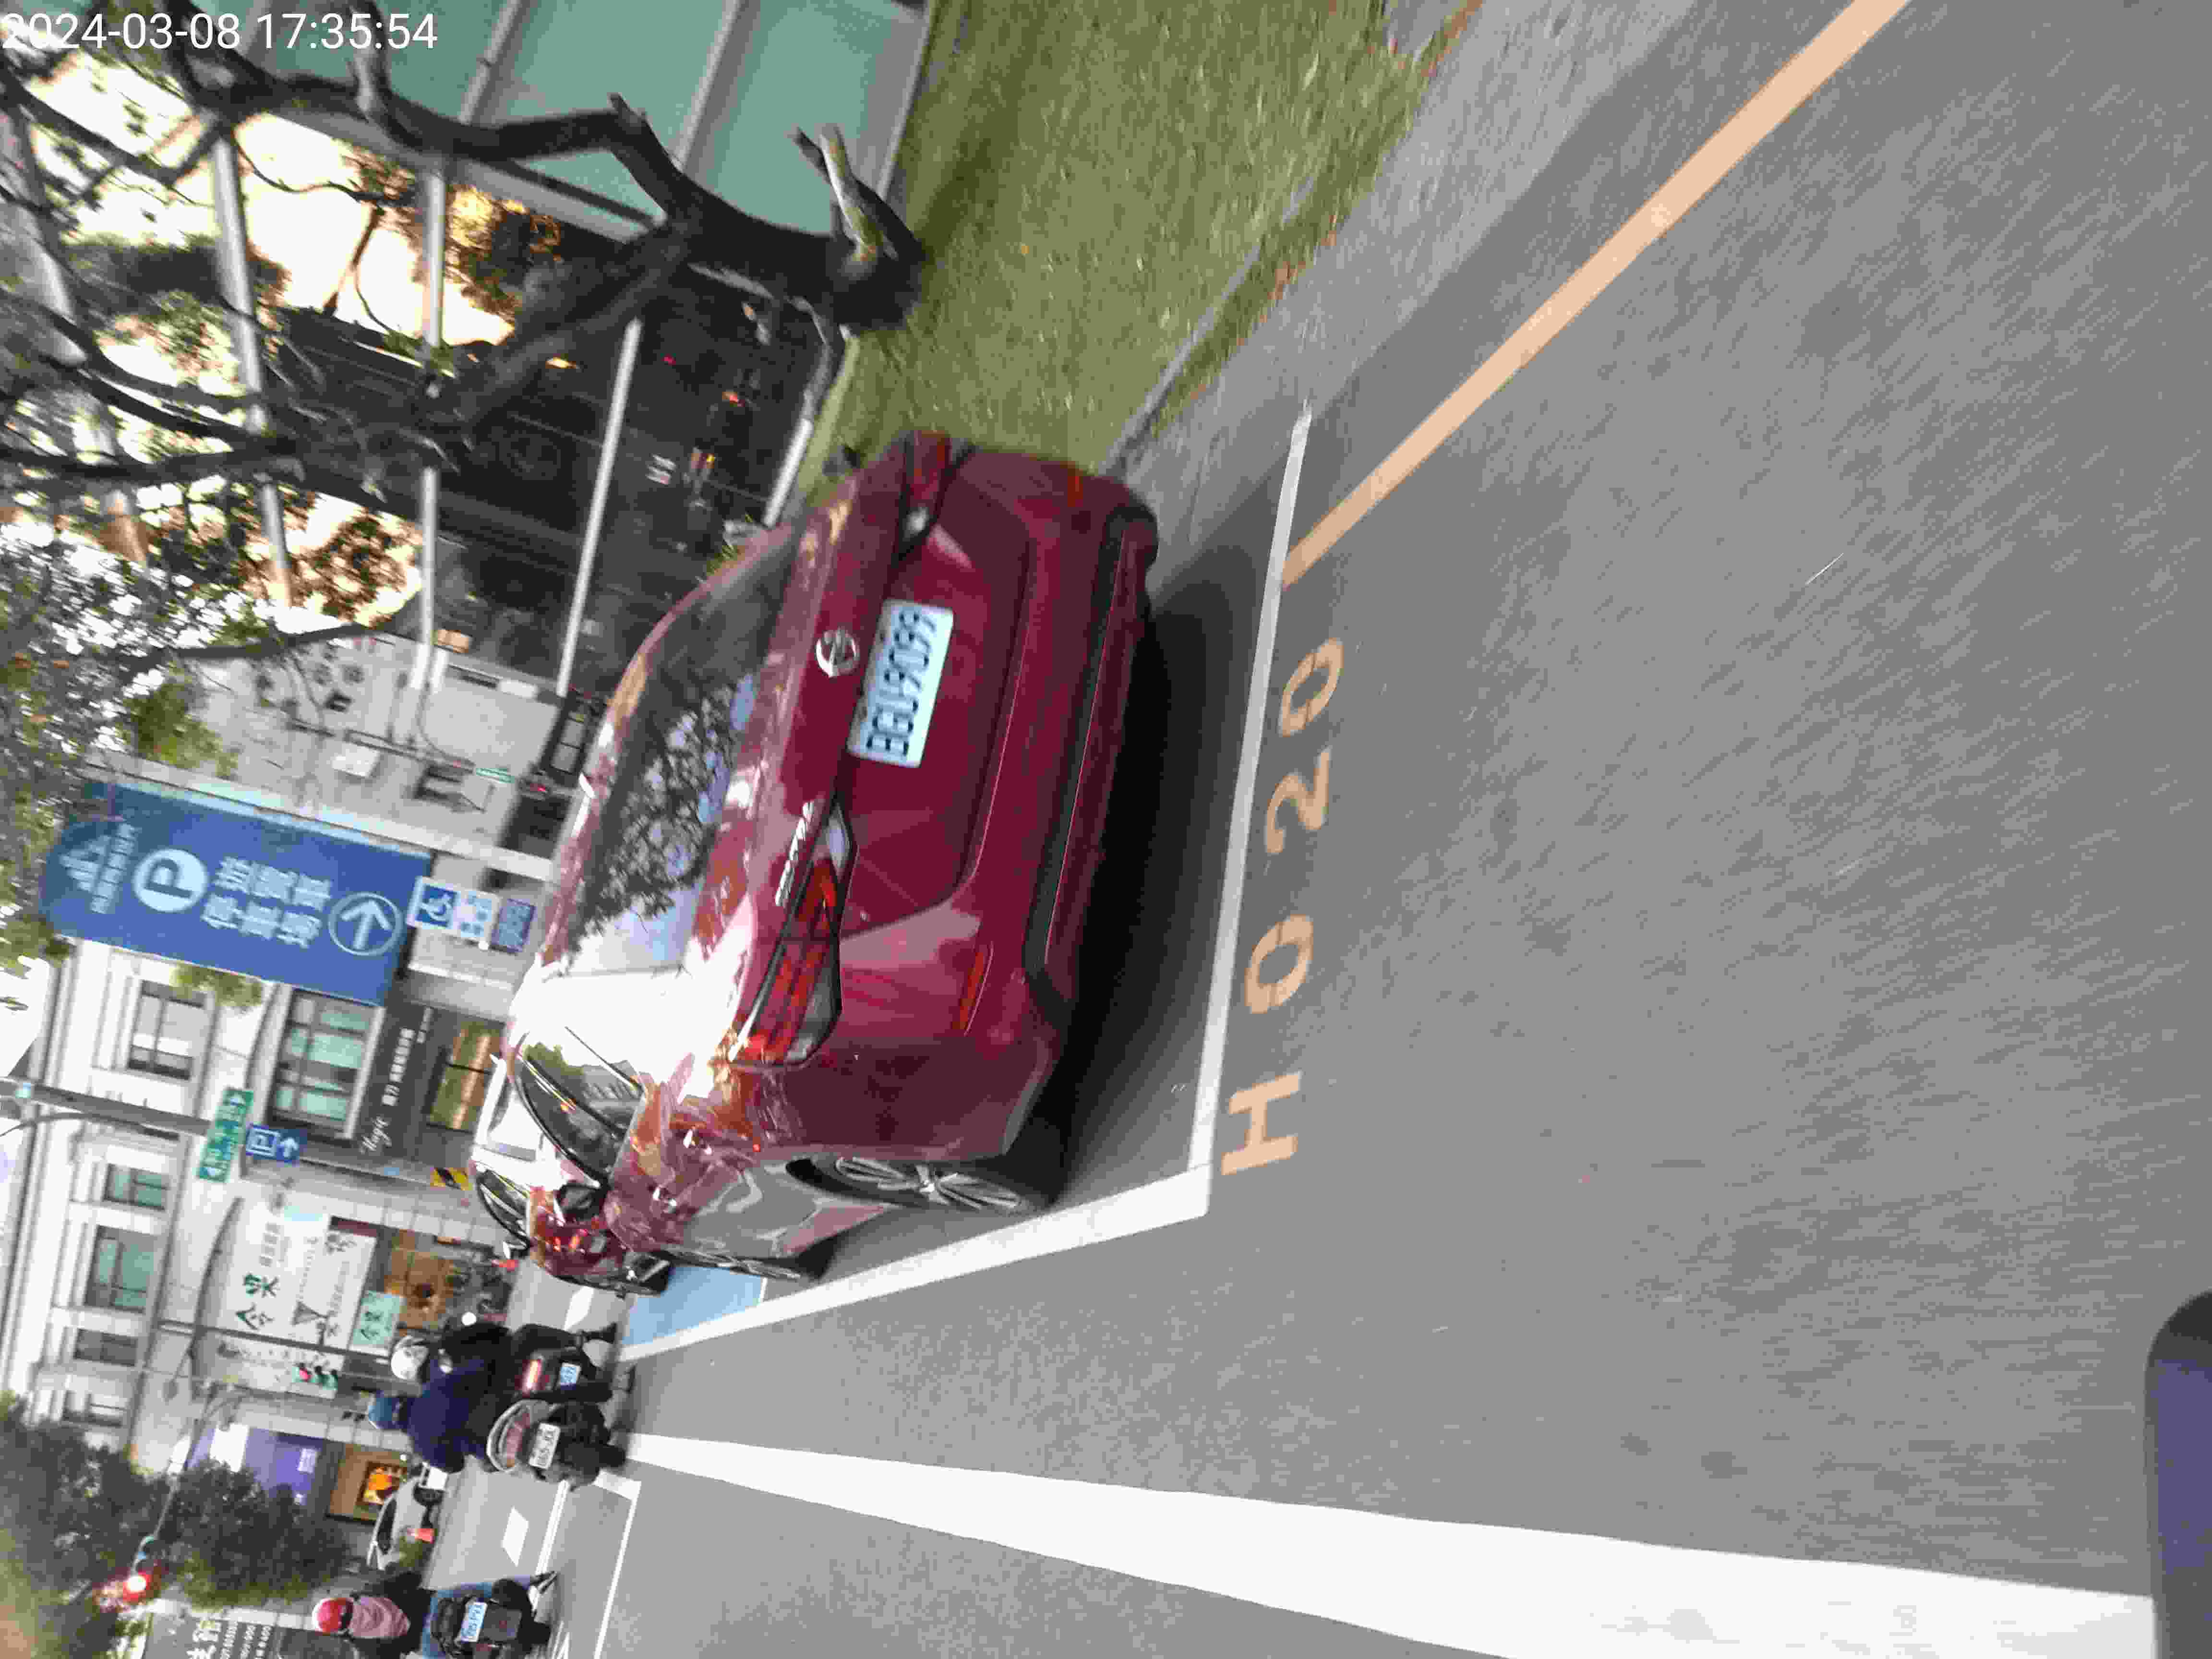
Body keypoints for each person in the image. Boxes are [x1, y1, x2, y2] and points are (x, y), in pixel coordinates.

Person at [313, 1570, 559, 1658]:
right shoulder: (370, 1591)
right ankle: (532, 1581)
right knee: (483, 1589)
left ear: (338, 1632)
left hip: (429, 1642)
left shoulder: (362, 1647)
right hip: (437, 1603)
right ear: (342, 1601)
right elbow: (412, 1577)